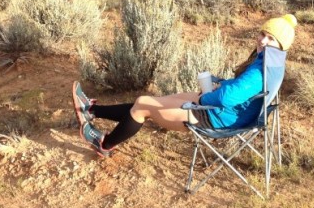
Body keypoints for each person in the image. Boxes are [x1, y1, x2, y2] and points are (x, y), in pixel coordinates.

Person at [72, 14, 297, 158]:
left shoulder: (259, 71)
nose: (263, 41)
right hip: (223, 113)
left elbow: (228, 97)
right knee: (151, 102)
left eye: (271, 38)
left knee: (143, 106)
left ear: (281, 45)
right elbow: (240, 91)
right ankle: (91, 110)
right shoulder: (271, 63)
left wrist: (203, 100)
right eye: (262, 34)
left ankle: (105, 144)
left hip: (215, 118)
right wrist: (218, 87)